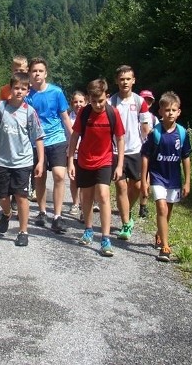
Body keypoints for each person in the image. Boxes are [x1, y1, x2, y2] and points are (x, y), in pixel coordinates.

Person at [0, 72, 45, 247]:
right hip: (2, 160)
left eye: (23, 89)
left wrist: (40, 161)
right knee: (3, 196)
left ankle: (23, 231)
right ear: (10, 89)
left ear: (28, 91)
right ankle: (7, 213)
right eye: (16, 88)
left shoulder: (30, 112)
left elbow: (38, 138)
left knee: (21, 196)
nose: (19, 91)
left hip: (23, 162)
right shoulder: (0, 108)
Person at [68, 79, 125, 257]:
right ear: (88, 99)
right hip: (84, 160)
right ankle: (88, 229)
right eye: (94, 102)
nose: (98, 105)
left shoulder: (112, 113)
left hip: (105, 160)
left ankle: (105, 238)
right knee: (87, 197)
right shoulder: (84, 113)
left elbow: (120, 139)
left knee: (103, 195)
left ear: (106, 96)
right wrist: (71, 160)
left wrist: (120, 164)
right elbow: (75, 137)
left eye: (101, 101)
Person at [141, 91, 192, 262]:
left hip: (174, 178)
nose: (170, 113)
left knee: (168, 210)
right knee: (161, 208)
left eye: (173, 110)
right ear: (160, 112)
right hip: (157, 176)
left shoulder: (182, 133)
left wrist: (187, 182)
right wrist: (144, 180)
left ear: (179, 112)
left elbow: (186, 157)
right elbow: (146, 156)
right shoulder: (155, 133)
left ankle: (159, 233)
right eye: (167, 110)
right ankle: (165, 246)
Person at [26, 57, 72, 234]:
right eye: (34, 71)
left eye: (40, 71)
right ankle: (42, 211)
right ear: (30, 74)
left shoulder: (56, 92)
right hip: (36, 141)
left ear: (46, 73)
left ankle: (58, 216)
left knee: (60, 175)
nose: (37, 74)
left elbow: (65, 117)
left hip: (57, 138)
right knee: (40, 177)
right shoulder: (27, 95)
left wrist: (73, 139)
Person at [109, 65, 152, 241]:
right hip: (115, 151)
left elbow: (146, 126)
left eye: (128, 79)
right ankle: (126, 224)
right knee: (120, 186)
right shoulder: (111, 102)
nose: (125, 82)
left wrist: (150, 141)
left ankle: (126, 209)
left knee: (137, 187)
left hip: (136, 149)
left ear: (133, 80)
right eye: (122, 79)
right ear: (116, 81)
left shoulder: (139, 102)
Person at [0, 55, 29, 212]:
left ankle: (20, 195)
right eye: (16, 70)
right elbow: (0, 109)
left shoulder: (30, 89)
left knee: (24, 170)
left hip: (26, 135)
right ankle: (8, 203)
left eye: (22, 70)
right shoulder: (5, 89)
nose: (19, 72)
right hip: (9, 134)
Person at [138, 89, 159, 216]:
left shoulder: (153, 118)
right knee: (133, 181)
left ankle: (143, 206)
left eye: (149, 100)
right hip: (134, 150)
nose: (147, 102)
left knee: (146, 178)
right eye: (144, 100)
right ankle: (126, 204)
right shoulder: (132, 115)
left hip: (148, 151)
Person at [67, 90, 87, 219]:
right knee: (73, 180)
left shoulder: (89, 115)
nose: (78, 104)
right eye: (75, 101)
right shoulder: (68, 117)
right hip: (72, 153)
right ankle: (75, 203)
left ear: (86, 102)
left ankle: (84, 208)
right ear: (71, 103)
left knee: (85, 182)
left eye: (81, 101)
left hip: (86, 154)